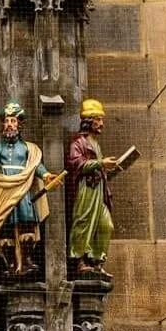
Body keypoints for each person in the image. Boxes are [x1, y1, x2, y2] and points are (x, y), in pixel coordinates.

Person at [0, 101, 56, 274]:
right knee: (5, 229)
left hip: (23, 190)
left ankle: (26, 260)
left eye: (13, 121)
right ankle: (12, 262)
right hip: (4, 189)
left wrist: (45, 175)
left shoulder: (27, 148)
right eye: (7, 121)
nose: (9, 125)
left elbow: (35, 165)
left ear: (19, 125)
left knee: (26, 225)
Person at [66, 97, 118, 278]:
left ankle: (96, 260)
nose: (101, 123)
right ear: (88, 121)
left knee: (106, 225)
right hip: (86, 190)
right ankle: (80, 260)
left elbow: (97, 166)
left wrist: (107, 167)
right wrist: (100, 163)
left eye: (101, 119)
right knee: (84, 222)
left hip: (99, 190)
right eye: (98, 119)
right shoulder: (78, 143)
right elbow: (76, 163)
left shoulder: (96, 144)